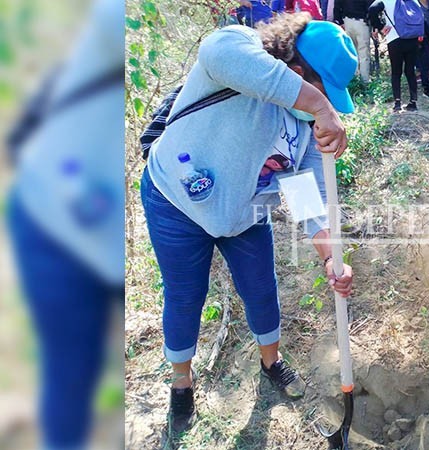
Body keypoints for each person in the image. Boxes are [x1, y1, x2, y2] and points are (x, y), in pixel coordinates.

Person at [142, 14, 356, 437]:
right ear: (296, 73)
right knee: (185, 297)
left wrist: (332, 256)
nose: (325, 107)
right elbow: (217, 51)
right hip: (175, 202)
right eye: (323, 92)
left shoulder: (302, 127)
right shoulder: (237, 47)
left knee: (261, 289)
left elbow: (308, 198)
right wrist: (317, 102)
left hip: (244, 215)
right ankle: (181, 384)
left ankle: (271, 362)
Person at [5, 0, 124, 447]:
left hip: (100, 231)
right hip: (53, 226)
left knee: (85, 369)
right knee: (71, 371)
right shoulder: (114, 26)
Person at [369, 0, 429, 111]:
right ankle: (413, 102)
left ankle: (397, 103)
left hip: (394, 39)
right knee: (410, 71)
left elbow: (372, 10)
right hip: (413, 39)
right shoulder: (413, 1)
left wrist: (380, 27)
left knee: (396, 72)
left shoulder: (386, 1)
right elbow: (422, 19)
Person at [333, 0, 372, 83]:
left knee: (351, 51)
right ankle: (364, 79)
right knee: (363, 52)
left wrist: (339, 20)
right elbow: (370, 6)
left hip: (347, 21)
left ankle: (354, 78)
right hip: (362, 21)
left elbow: (337, 5)